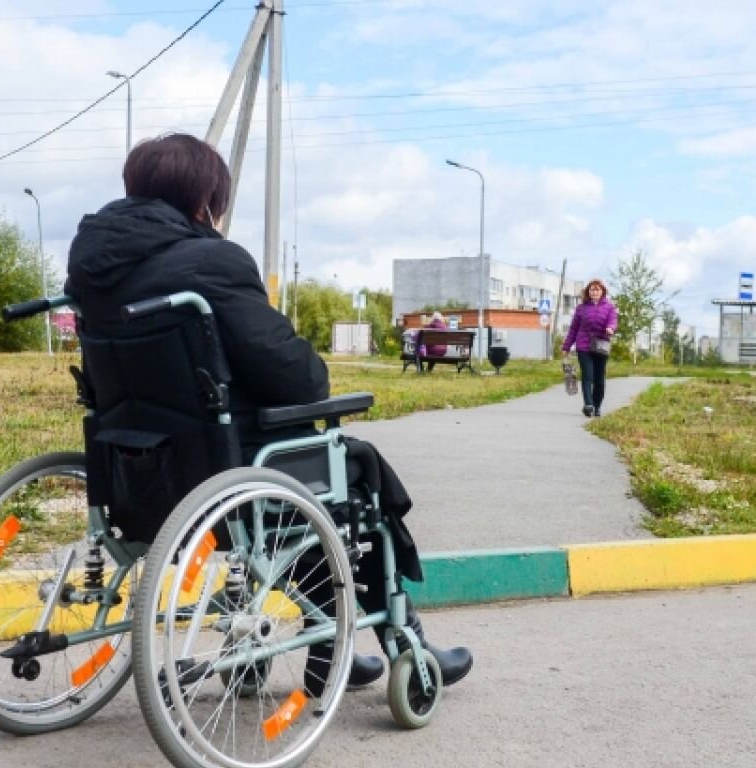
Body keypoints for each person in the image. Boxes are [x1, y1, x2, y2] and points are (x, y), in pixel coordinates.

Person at [64, 133, 473, 693]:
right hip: (220, 470)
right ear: (205, 199)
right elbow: (298, 377)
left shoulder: (89, 273)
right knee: (353, 479)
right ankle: (403, 644)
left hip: (138, 476)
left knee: (293, 490)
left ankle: (325, 644)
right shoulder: (212, 260)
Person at [562, 279, 618, 417]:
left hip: (601, 346)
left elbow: (613, 320)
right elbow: (574, 328)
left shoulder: (609, 307)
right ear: (588, 291)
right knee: (587, 375)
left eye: (598, 289)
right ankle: (588, 404)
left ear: (603, 292)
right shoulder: (581, 308)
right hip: (584, 346)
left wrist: (610, 328)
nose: (595, 292)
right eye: (592, 289)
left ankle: (597, 405)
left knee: (599, 378)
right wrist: (566, 346)